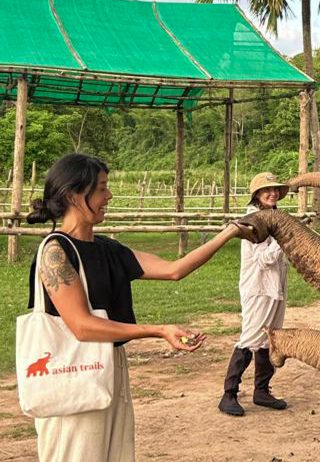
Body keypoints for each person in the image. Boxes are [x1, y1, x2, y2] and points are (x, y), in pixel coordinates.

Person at [25, 153, 241, 462]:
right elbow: (82, 326)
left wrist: (230, 231)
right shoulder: (55, 253)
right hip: (72, 370)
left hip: (110, 366)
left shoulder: (109, 250)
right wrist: (158, 330)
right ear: (73, 195)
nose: (109, 196)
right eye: (101, 188)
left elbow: (174, 269)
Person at [218, 172, 289, 416]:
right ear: (257, 194)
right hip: (258, 288)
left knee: (270, 339)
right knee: (249, 339)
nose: (273, 193)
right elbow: (264, 260)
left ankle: (262, 391)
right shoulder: (252, 222)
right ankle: (229, 394)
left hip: (275, 288)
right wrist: (283, 238)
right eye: (267, 190)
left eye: (275, 189)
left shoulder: (275, 217)